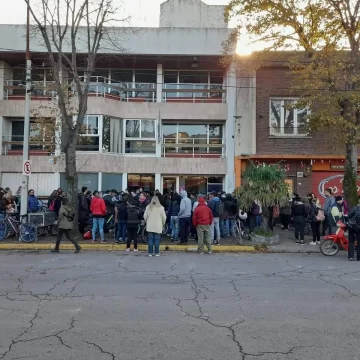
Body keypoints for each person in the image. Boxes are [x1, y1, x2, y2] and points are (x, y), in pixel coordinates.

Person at [347, 196, 360, 261]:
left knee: (351, 241)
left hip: (353, 227)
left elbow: (349, 215)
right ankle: (358, 257)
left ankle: (351, 256)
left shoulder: (355, 208)